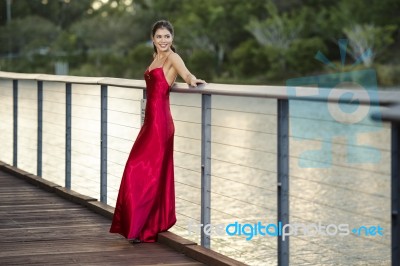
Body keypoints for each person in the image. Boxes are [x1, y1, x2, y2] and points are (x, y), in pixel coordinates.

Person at [109, 20, 206, 243]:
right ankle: (141, 225)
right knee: (139, 169)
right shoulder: (156, 59)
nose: (164, 40)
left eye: (167, 36)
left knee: (144, 172)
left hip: (161, 125)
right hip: (150, 124)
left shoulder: (172, 57)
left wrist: (192, 80)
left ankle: (141, 228)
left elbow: (186, 73)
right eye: (159, 37)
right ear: (152, 38)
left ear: (173, 38)